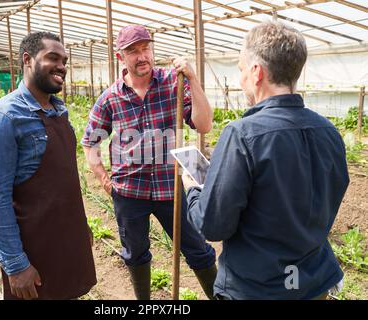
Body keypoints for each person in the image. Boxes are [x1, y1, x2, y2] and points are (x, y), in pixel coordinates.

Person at [183, 21, 349, 300]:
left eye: (241, 70)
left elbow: (213, 225)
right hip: (313, 281)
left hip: (259, 287)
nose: (241, 79)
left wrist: (193, 190)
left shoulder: (242, 134)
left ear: (257, 72)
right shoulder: (328, 131)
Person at [81, 25, 217, 300]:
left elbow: (203, 125)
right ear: (121, 57)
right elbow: (90, 141)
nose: (142, 56)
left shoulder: (174, 83)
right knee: (135, 254)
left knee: (198, 251)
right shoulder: (111, 97)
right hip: (130, 192)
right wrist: (104, 180)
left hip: (172, 190)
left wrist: (192, 79)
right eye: (133, 51)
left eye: (146, 49)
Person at [0, 32, 96, 300]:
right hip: (34, 254)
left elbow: (64, 184)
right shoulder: (4, 118)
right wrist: (16, 266)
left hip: (67, 242)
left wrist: (80, 227)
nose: (62, 66)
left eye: (64, 60)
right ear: (27, 60)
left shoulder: (58, 111)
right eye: (52, 58)